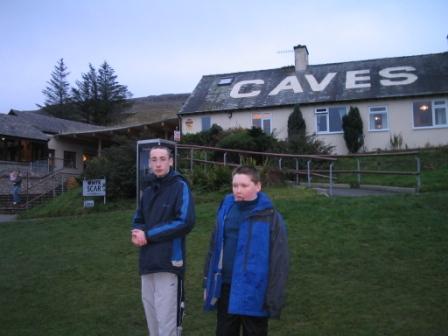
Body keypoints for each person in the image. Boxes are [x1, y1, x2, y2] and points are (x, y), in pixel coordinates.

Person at [203, 165, 289, 336]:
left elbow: (279, 260)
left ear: (258, 186)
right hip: (226, 286)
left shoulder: (270, 216)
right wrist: (208, 280)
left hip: (255, 290)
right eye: (235, 185)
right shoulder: (226, 207)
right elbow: (214, 246)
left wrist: (273, 296)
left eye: (244, 185)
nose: (238, 190)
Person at [131, 145, 195, 336]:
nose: (158, 164)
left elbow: (185, 222)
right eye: (154, 159)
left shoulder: (179, 186)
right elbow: (138, 219)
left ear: (171, 161)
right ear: (149, 162)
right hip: (147, 262)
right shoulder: (148, 189)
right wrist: (137, 232)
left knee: (167, 324)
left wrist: (148, 235)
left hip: (169, 263)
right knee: (152, 322)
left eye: (162, 159)